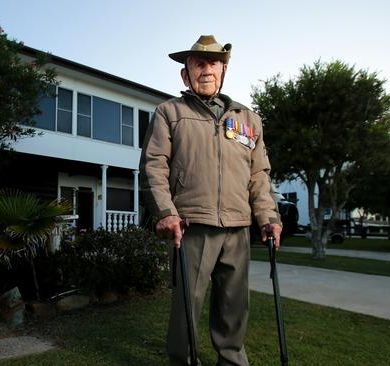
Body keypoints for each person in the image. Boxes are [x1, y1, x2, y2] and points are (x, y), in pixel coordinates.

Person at [139, 35, 282, 366]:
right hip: (191, 225)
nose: (206, 70)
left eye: (213, 63)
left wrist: (269, 218)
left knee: (234, 306)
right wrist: (165, 212)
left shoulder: (248, 119)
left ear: (224, 69)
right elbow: (153, 166)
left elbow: (259, 175)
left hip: (238, 226)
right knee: (188, 305)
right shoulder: (169, 112)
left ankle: (232, 361)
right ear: (185, 74)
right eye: (199, 64)